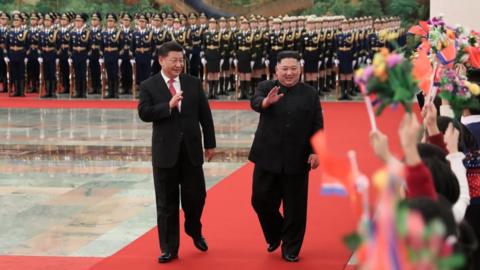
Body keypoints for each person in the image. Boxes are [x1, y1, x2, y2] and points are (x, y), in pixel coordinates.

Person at [137, 41, 216, 263]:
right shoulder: (149, 85)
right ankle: (169, 248)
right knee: (166, 203)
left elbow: (205, 115)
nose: (178, 64)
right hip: (165, 153)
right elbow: (144, 112)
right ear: (161, 60)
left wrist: (210, 143)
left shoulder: (192, 83)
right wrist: (167, 106)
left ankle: (193, 227)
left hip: (191, 151)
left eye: (181, 60)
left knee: (197, 197)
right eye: (174, 60)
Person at [249, 50, 323, 262]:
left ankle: (291, 247)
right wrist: (266, 103)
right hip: (267, 156)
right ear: (276, 70)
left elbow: (317, 124)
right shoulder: (266, 87)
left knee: (295, 207)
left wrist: (316, 151)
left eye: (293, 69)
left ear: (300, 70)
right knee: (260, 200)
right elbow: (255, 102)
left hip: (297, 157)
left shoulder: (309, 93)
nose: (289, 73)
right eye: (285, 69)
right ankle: (275, 233)